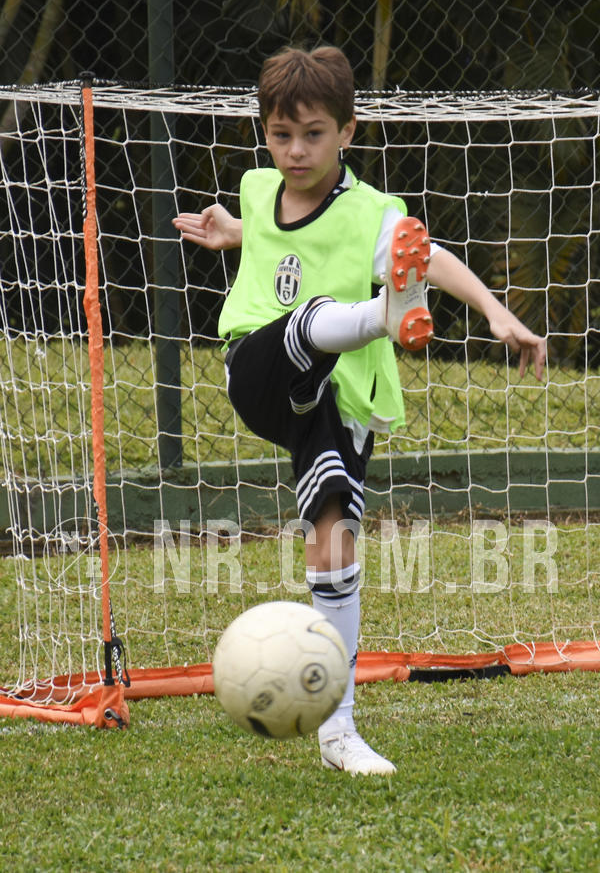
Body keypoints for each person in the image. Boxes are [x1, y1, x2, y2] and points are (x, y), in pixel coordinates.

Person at [173, 46, 546, 776]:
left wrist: (496, 312)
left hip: (334, 405)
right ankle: (382, 313)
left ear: (347, 131)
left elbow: (428, 257)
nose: (295, 150)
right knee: (310, 319)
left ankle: (338, 731)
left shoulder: (374, 213)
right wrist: (240, 233)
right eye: (281, 135)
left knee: (333, 544)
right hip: (256, 367)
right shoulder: (256, 189)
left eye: (313, 134)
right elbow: (287, 241)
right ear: (266, 135)